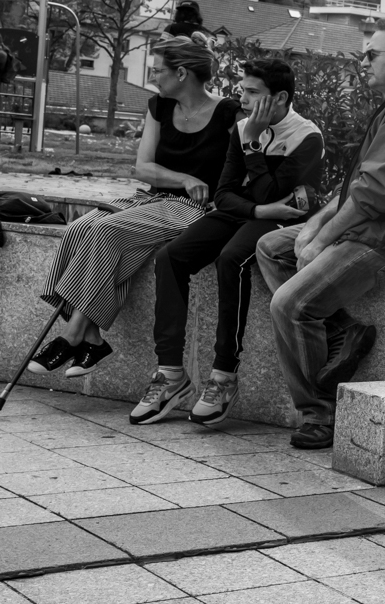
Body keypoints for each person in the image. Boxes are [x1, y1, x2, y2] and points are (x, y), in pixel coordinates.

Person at [256, 22, 385, 450]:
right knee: (273, 246)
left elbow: (373, 195)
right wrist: (313, 226)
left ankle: (319, 412)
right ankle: (342, 333)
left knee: (290, 303)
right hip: (372, 230)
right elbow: (357, 186)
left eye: (372, 54)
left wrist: (319, 241)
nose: (363, 62)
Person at [28, 35, 241, 378]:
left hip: (194, 209)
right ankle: (93, 336)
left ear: (182, 73)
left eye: (159, 71)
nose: (154, 77)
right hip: (152, 199)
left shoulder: (229, 113)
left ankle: (71, 336)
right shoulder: (160, 106)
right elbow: (142, 168)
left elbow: (244, 166)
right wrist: (185, 177)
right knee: (79, 228)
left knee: (108, 231)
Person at [133, 58, 325, 427]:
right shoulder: (240, 127)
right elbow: (224, 193)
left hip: (282, 221)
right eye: (242, 90)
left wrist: (253, 145)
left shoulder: (306, 137)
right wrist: (259, 209)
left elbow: (272, 190)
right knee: (170, 256)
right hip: (254, 213)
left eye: (253, 92)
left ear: (280, 97)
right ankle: (170, 373)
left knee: (231, 258)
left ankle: (223, 375)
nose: (244, 98)